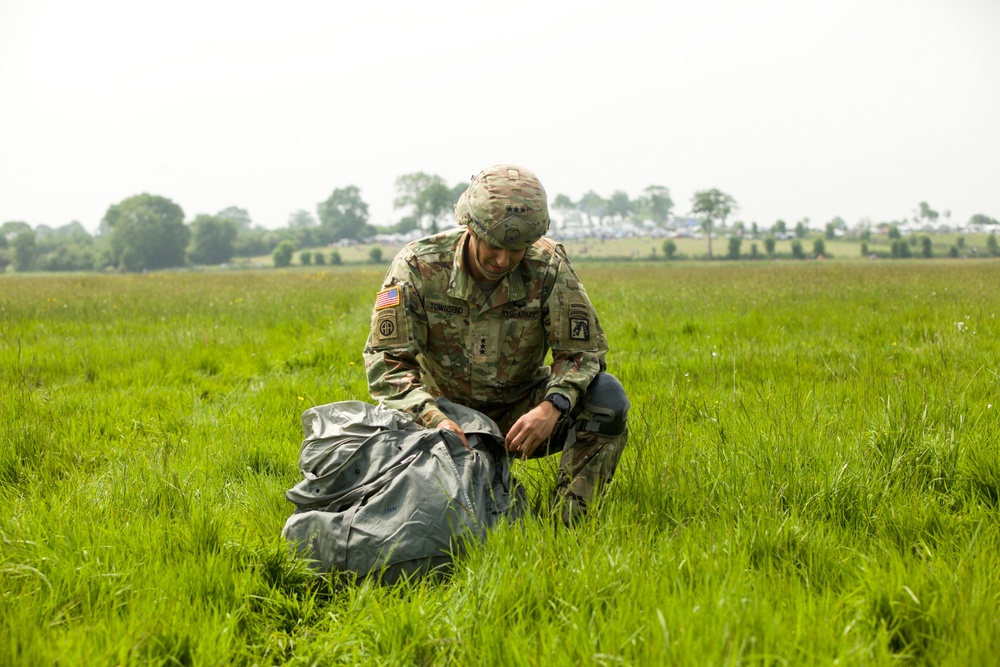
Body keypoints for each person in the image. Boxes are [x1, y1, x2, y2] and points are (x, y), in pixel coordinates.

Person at [363, 163, 629, 524]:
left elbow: (582, 353)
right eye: (495, 246)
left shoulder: (548, 266)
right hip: (442, 419)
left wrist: (552, 406)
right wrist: (432, 419)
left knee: (606, 400)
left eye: (517, 249)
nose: (504, 260)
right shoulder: (418, 266)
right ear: (471, 227)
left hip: (521, 414)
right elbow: (386, 362)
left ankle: (567, 521)